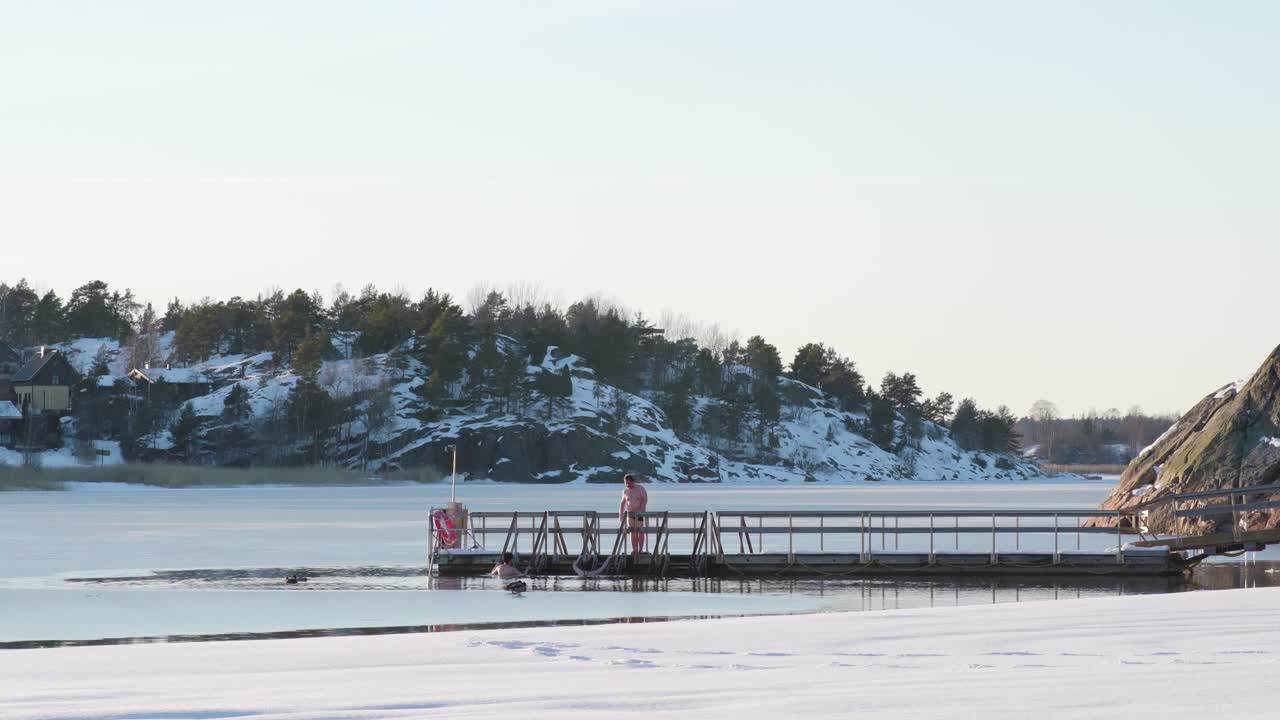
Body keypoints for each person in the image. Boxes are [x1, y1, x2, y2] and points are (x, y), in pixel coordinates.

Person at [619, 473, 649, 554]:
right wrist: (620, 515)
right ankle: (634, 550)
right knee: (632, 532)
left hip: (639, 513)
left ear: (633, 481)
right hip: (630, 514)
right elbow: (622, 503)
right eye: (626, 483)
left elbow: (644, 499)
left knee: (640, 531)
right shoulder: (625, 491)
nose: (627, 485)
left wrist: (641, 509)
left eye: (629, 483)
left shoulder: (640, 488)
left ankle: (641, 550)